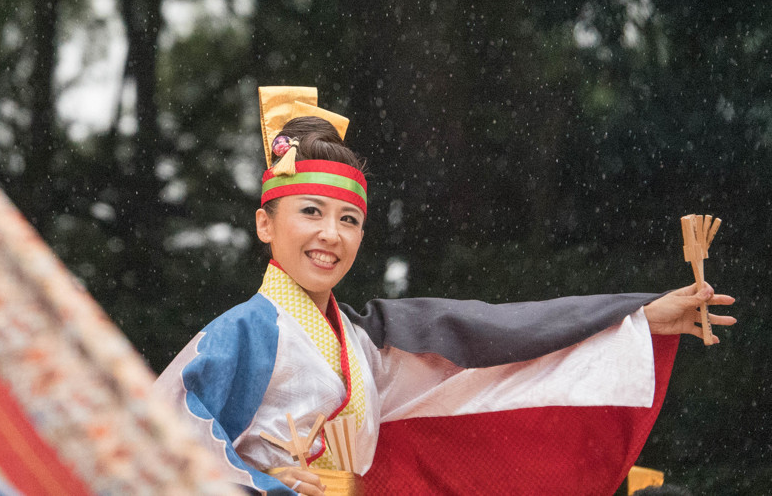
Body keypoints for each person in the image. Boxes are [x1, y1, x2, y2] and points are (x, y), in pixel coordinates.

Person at [153, 87, 736, 496]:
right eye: (311, 212)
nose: (331, 235)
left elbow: (499, 348)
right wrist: (260, 483)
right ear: (265, 224)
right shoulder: (244, 332)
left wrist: (635, 320)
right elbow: (154, 438)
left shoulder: (362, 342)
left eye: (349, 220)